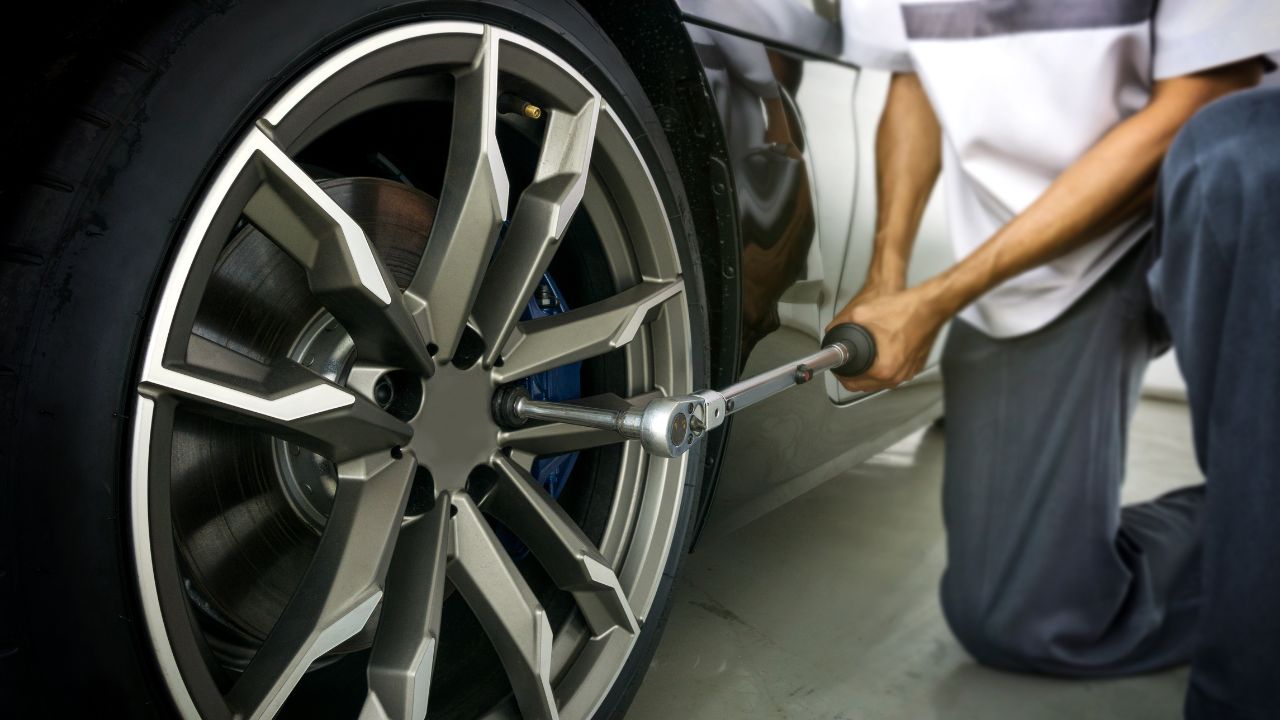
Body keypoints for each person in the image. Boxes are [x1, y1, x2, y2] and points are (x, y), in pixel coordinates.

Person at [833, 1, 1280, 717]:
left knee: (1243, 158)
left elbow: (1206, 95)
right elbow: (913, 79)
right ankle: (1255, 537)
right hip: (1035, 246)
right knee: (1018, 616)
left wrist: (943, 295)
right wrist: (888, 279)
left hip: (1209, 194)